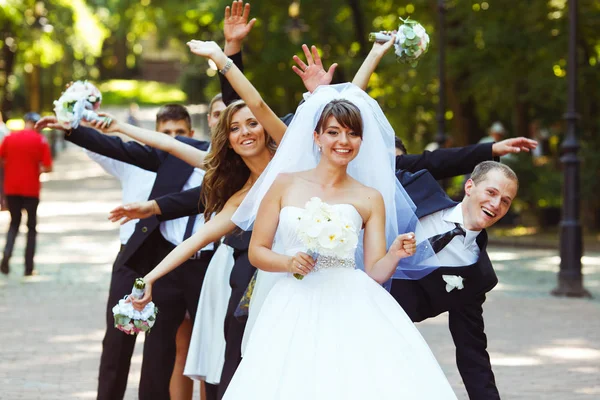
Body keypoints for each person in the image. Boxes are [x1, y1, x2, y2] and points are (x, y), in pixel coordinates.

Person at [220, 84, 456, 399]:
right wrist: (289, 262)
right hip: (294, 298)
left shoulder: (370, 197)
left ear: (361, 140)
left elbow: (374, 271)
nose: (343, 141)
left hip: (351, 298)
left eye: (352, 134)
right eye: (333, 132)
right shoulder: (284, 183)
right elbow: (257, 252)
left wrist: (396, 252)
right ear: (317, 137)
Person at [36, 105, 213, 400]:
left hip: (199, 265)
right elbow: (112, 148)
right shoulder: (150, 158)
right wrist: (73, 127)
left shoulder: (219, 162)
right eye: (167, 133)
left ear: (194, 132)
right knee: (127, 344)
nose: (173, 138)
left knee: (196, 350)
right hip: (142, 259)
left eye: (179, 133)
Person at [391, 161, 518, 399]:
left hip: (385, 336)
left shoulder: (476, 274)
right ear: (469, 186)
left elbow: (471, 350)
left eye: (505, 201)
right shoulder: (417, 189)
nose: (496, 204)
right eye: (491, 192)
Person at [0, 112, 52, 276]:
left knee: (14, 224)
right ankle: (28, 267)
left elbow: (1, 158)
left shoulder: (10, 138)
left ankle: (6, 257)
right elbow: (48, 167)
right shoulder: (40, 140)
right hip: (31, 189)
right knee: (31, 227)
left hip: (12, 188)